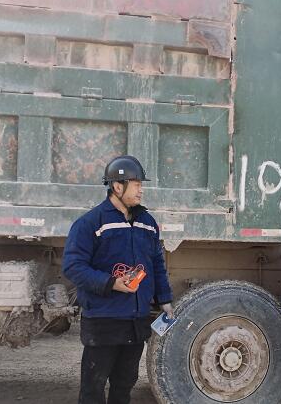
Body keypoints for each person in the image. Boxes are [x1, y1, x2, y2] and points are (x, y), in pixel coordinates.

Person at [62, 155, 173, 404]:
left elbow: (157, 264)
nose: (141, 190)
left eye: (141, 185)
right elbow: (73, 266)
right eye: (136, 184)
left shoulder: (147, 223)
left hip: (136, 321)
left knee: (124, 385)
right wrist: (111, 283)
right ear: (117, 186)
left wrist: (165, 299)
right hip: (103, 321)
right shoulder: (91, 223)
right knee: (93, 388)